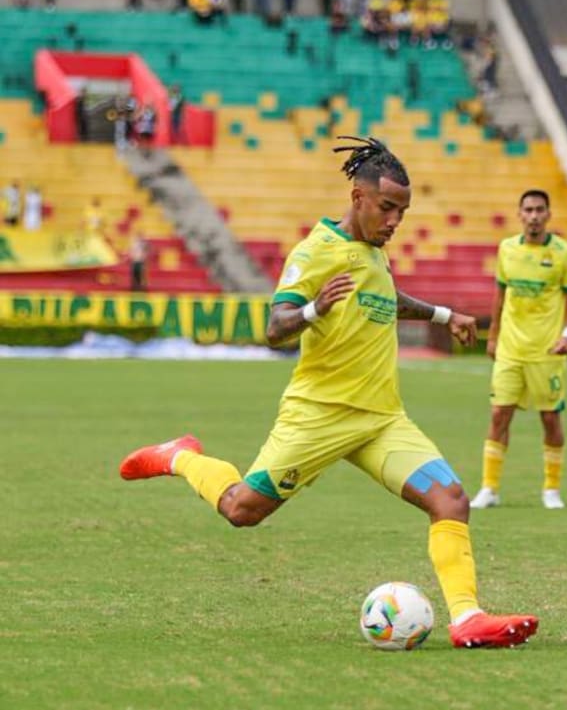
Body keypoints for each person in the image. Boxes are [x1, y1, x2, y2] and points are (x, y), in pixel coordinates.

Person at [118, 136, 538, 649]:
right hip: (319, 417)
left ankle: (467, 618)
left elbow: (384, 296)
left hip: (381, 420)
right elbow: (275, 327)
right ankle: (180, 457)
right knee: (241, 511)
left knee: (451, 500)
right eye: (387, 209)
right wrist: (315, 309)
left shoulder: (373, 252)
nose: (394, 222)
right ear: (358, 198)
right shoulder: (316, 251)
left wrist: (445, 316)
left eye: (402, 212)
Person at [469, 190, 567, 512]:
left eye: (539, 210)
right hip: (510, 349)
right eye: (528, 210)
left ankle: (551, 489)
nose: (534, 215)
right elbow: (500, 295)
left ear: (548, 214)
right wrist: (492, 336)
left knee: (550, 418)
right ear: (520, 214)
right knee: (498, 415)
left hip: (546, 350)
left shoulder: (564, 253)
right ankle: (489, 488)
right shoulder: (507, 249)